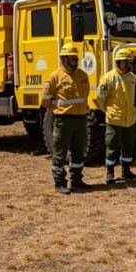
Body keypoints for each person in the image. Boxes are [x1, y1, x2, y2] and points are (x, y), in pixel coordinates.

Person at [42, 43, 91, 194]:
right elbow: (46, 100)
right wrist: (57, 111)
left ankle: (76, 181)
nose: (74, 61)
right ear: (63, 59)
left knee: (78, 151)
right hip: (63, 121)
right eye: (71, 58)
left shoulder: (83, 75)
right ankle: (59, 183)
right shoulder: (55, 77)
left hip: (81, 119)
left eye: (76, 58)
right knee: (60, 152)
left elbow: (86, 95)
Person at [96, 48, 136, 184]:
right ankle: (110, 173)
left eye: (130, 62)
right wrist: (108, 111)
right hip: (115, 120)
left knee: (128, 146)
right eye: (127, 62)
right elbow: (100, 99)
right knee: (112, 147)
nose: (130, 64)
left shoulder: (132, 77)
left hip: (130, 120)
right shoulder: (108, 78)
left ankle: (126, 171)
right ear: (120, 62)